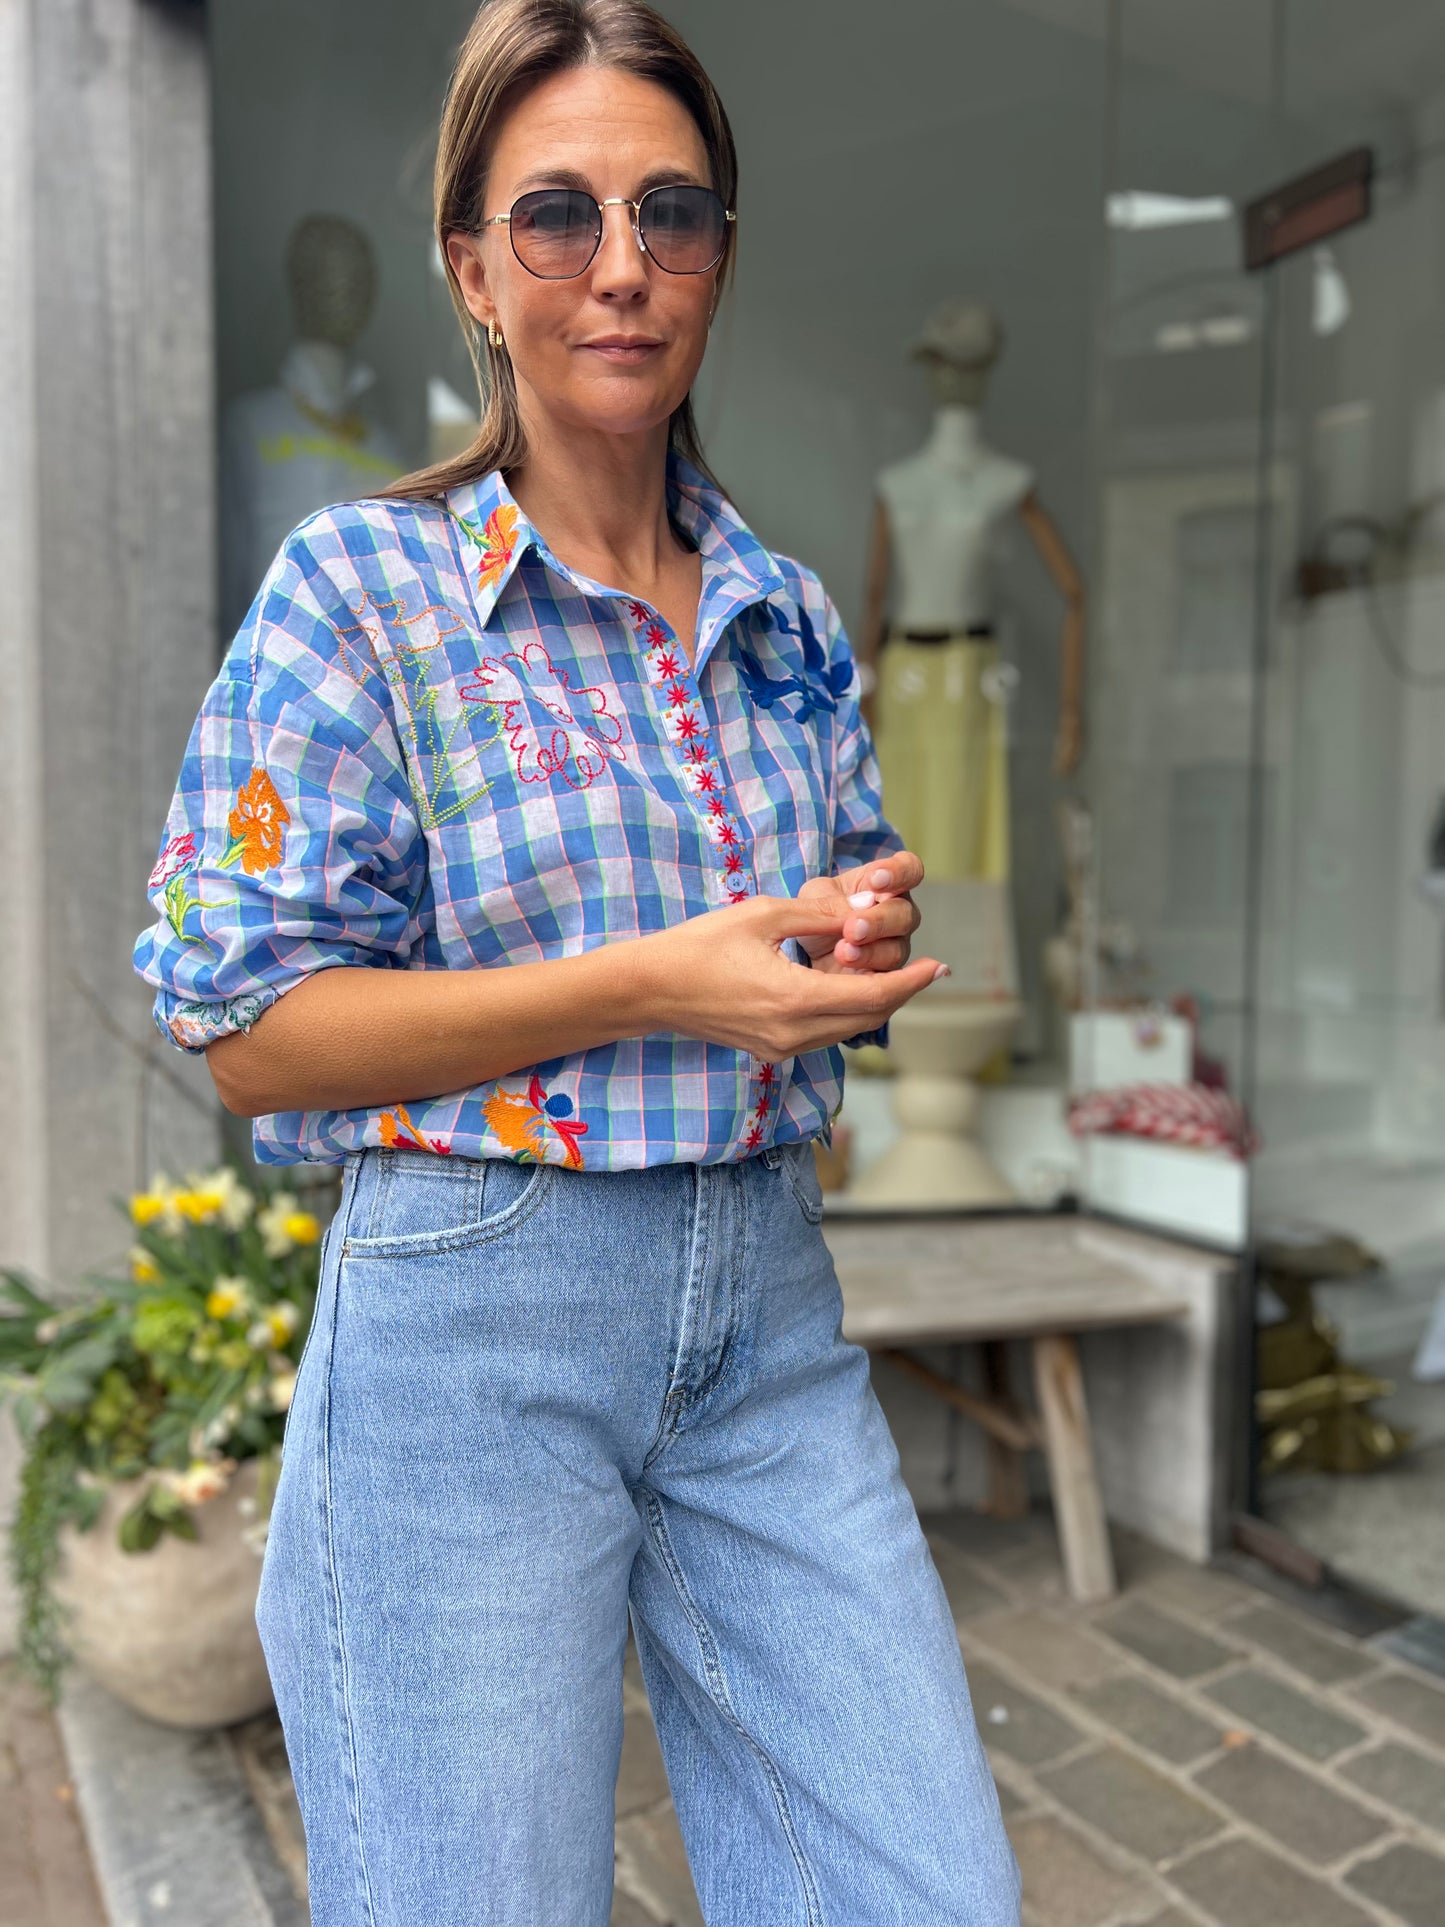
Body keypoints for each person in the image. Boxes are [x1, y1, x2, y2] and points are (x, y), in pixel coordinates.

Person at [134, 2, 1022, 1921]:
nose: (621, 265)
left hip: (767, 1319)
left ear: (717, 254)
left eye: (669, 213)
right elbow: (254, 1031)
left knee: (924, 1891)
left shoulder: (787, 614)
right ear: (472, 266)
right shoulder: (363, 590)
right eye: (557, 213)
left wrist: (847, 940)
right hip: (474, 1336)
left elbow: (804, 915)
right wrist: (654, 981)